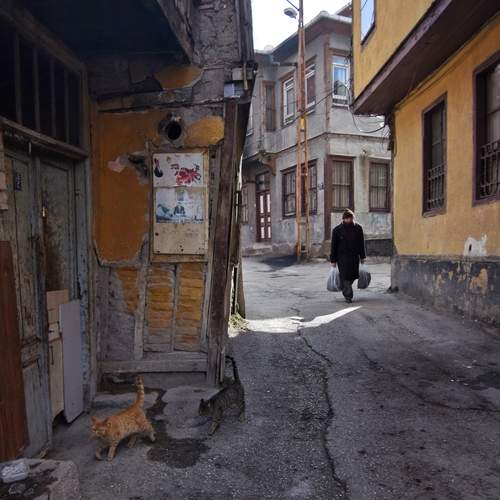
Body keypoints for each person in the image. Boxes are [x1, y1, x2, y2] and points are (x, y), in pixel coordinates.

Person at [330, 209, 366, 303]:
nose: (348, 220)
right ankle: (348, 296)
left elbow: (361, 244)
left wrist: (362, 257)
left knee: (352, 276)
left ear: (353, 218)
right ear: (343, 219)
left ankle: (345, 287)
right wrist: (333, 260)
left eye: (350, 218)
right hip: (342, 258)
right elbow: (333, 246)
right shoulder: (337, 230)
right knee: (345, 276)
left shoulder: (358, 228)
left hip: (354, 257)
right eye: (346, 218)